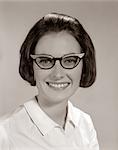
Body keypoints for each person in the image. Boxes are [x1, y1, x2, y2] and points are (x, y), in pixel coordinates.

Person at [0, 12, 99, 150]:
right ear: (31, 65)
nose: (57, 74)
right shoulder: (5, 132)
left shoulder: (85, 123)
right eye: (45, 60)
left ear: (85, 64)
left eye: (70, 60)